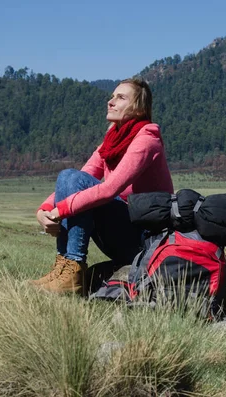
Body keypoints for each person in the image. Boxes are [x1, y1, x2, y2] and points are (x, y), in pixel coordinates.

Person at [31, 78, 173, 295]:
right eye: (112, 96)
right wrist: (44, 210)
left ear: (138, 108)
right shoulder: (112, 140)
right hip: (124, 231)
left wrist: (61, 210)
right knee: (69, 176)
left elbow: (110, 189)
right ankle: (63, 268)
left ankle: (74, 266)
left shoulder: (147, 139)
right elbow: (81, 177)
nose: (111, 101)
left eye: (121, 97)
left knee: (73, 179)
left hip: (145, 241)